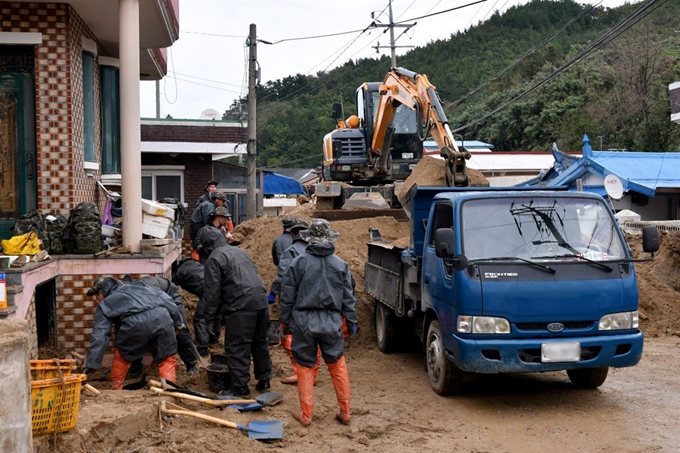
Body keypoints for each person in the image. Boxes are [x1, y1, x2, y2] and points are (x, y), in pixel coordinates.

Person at [279, 219, 358, 426]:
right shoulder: (341, 265)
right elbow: (349, 298)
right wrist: (351, 322)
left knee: (305, 365)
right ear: (329, 239)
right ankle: (345, 411)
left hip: (303, 321)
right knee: (337, 363)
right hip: (331, 320)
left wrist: (284, 322)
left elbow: (287, 296)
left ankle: (306, 415)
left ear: (309, 240)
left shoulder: (298, 263)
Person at [199, 227, 272, 398]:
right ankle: (264, 380)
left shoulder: (214, 258)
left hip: (240, 305)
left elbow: (212, 293)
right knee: (259, 343)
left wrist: (209, 319)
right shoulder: (240, 252)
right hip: (260, 301)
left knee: (237, 346)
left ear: (207, 247)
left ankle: (240, 388)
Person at [85, 276, 185, 389]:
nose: (97, 299)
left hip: (134, 324)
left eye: (96, 296)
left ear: (101, 292)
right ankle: (170, 388)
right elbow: (167, 300)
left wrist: (92, 365)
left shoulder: (105, 304)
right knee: (166, 357)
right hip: (162, 318)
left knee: (122, 357)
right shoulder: (142, 286)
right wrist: (178, 322)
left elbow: (100, 335)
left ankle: (116, 388)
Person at [267, 217, 320, 385]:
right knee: (313, 338)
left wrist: (274, 293)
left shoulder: (290, 252)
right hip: (315, 299)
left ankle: (301, 373)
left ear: (291, 232)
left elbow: (284, 277)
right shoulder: (316, 251)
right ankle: (313, 374)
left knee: (290, 336)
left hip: (297, 301)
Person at [123, 275, 200, 375]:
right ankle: (136, 366)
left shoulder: (146, 289)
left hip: (170, 296)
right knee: (136, 331)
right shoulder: (129, 298)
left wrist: (178, 322)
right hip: (157, 302)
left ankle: (191, 365)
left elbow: (167, 302)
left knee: (181, 331)